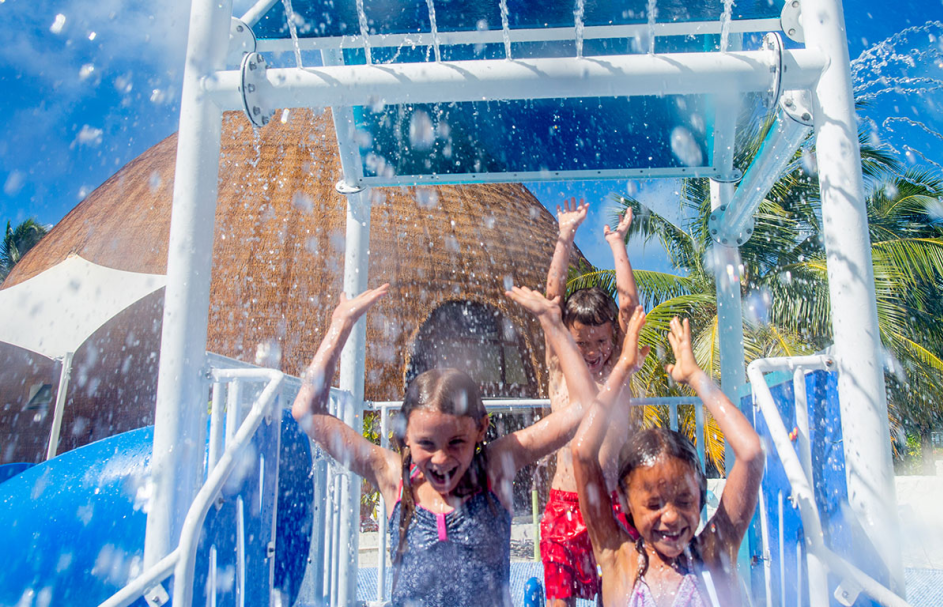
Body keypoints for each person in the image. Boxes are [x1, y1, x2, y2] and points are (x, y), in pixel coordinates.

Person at [291, 283, 601, 607]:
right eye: (426, 443)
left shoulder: (494, 470)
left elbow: (583, 407)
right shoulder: (393, 476)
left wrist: (554, 324)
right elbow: (306, 411)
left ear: (481, 429)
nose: (441, 458)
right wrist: (340, 325)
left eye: (456, 442)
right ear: (404, 435)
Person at [571, 317, 765, 607]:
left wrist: (696, 376)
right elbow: (582, 452)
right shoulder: (618, 559)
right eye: (653, 504)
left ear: (700, 496)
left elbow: (751, 452)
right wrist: (623, 367)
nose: (671, 516)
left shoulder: (713, 554)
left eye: (685, 501)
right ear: (625, 502)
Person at [541, 197, 641, 607]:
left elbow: (630, 309)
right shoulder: (561, 371)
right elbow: (552, 301)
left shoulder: (618, 370)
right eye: (582, 343)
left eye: (602, 341)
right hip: (564, 504)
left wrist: (617, 244)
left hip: (613, 502)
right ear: (568, 340)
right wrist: (565, 236)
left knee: (617, 595)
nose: (594, 351)